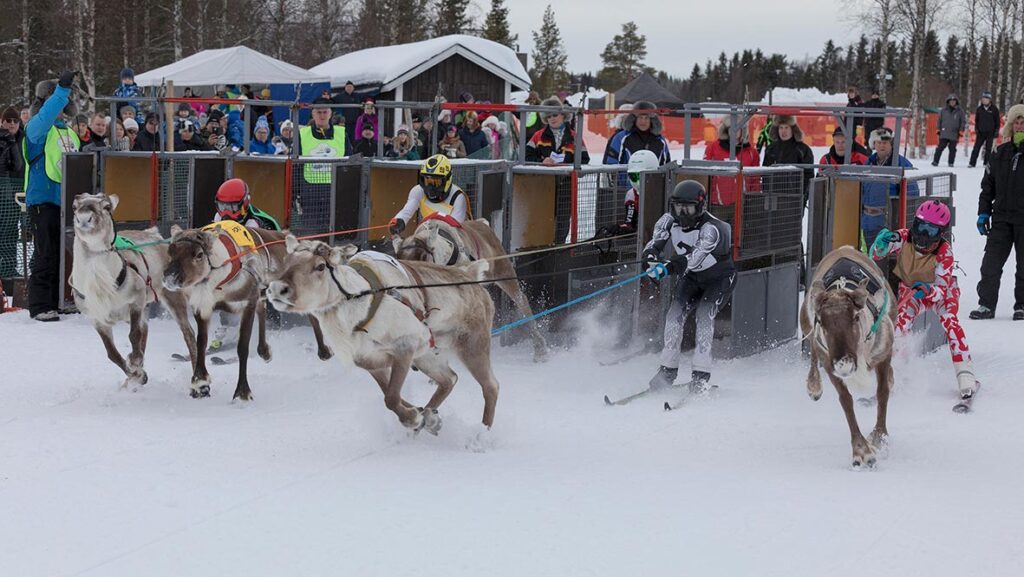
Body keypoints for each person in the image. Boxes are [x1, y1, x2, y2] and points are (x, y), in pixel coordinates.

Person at [869, 201, 978, 399]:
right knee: (900, 324)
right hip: (912, 292)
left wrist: (928, 290)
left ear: (940, 233)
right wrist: (882, 242)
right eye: (920, 227)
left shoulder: (945, 253)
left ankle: (966, 376)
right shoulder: (904, 237)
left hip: (940, 294)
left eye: (931, 230)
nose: (923, 235)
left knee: (951, 324)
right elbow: (877, 254)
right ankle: (895, 374)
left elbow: (940, 289)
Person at [644, 180, 736, 392]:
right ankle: (667, 370)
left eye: (689, 208)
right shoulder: (668, 220)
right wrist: (651, 261)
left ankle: (701, 374)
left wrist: (667, 267)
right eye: (678, 207)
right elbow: (653, 245)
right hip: (693, 278)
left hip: (719, 278)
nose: (683, 213)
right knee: (674, 315)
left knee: (704, 314)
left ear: (700, 206)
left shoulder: (712, 228)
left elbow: (694, 258)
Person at [24, 71, 80, 322]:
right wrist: (62, 91)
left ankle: (60, 299)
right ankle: (39, 304)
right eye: (56, 103)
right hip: (43, 200)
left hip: (66, 201)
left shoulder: (69, 132)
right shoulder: (37, 126)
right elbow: (46, 114)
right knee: (45, 253)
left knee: (63, 254)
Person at [209, 178, 280, 351]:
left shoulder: (255, 223)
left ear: (244, 204)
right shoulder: (219, 217)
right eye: (222, 206)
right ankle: (229, 325)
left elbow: (259, 252)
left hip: (265, 261)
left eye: (232, 207)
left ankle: (269, 327)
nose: (226, 212)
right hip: (236, 259)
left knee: (255, 287)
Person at [972, 103, 1024, 321]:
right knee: (990, 265)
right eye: (1017, 122)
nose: (1020, 125)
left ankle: (1021, 306)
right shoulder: (999, 153)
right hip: (1001, 218)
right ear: (1010, 126)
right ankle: (986, 305)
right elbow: (988, 187)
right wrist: (983, 213)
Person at [861, 127, 919, 250]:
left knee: (887, 259)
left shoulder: (902, 164)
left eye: (885, 142)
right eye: (879, 143)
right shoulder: (868, 163)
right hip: (868, 222)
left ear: (891, 143)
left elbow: (912, 194)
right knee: (870, 256)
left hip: (891, 222)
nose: (882, 146)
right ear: (874, 144)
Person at [388, 154, 468, 235]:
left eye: (436, 182)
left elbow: (455, 227)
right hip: (430, 232)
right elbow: (407, 211)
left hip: (458, 238)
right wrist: (399, 220)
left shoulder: (458, 197)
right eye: (427, 181)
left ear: (447, 180)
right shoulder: (418, 191)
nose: (430, 187)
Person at [598, 148, 659, 237]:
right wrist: (618, 229)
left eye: (641, 176)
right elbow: (630, 225)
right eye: (634, 176)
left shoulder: (665, 190)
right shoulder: (632, 195)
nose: (638, 182)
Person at [703, 116, 760, 205]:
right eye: (731, 128)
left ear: (743, 130)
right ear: (726, 130)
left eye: (737, 128)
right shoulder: (712, 148)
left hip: (744, 204)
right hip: (717, 204)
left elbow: (755, 179)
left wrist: (755, 199)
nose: (734, 131)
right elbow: (705, 175)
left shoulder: (752, 152)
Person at [761, 114, 815, 204]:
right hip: (773, 198)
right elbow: (765, 174)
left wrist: (804, 196)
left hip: (794, 200)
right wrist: (766, 194)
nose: (783, 131)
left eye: (786, 127)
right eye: (781, 128)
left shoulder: (803, 150)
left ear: (792, 129)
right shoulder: (770, 149)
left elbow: (808, 175)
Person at [299, 97, 348, 184]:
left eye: (325, 112)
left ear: (330, 113)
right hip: (309, 187)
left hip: (337, 184)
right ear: (313, 114)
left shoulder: (342, 134)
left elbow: (349, 160)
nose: (322, 116)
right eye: (318, 112)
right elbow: (296, 164)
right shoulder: (302, 134)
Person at [525, 97, 589, 165]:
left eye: (555, 115)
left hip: (566, 174)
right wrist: (541, 161)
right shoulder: (538, 136)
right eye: (548, 116)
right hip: (544, 175)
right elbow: (526, 156)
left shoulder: (575, 137)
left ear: (563, 115)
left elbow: (584, 159)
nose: (552, 118)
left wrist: (569, 168)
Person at [0, 107, 25, 278]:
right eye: (8, 120)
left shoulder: (23, 139)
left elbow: (20, 165)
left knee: (11, 231)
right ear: (2, 122)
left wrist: (12, 143)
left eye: (15, 121)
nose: (12, 124)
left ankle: (9, 267)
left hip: (16, 191)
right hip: (3, 188)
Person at [615, 101, 671, 166]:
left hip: (654, 176)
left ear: (651, 120)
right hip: (627, 176)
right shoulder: (621, 137)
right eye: (640, 117)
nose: (643, 121)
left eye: (646, 118)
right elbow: (610, 163)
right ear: (634, 119)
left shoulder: (660, 141)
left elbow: (666, 165)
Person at [932, 94, 967, 167]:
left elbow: (963, 121)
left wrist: (961, 130)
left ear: (956, 102)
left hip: (954, 133)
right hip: (944, 132)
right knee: (940, 148)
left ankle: (951, 163)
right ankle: (935, 161)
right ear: (948, 102)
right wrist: (938, 128)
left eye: (954, 101)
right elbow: (939, 120)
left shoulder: (960, 111)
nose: (952, 102)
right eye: (951, 101)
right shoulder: (943, 110)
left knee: (952, 149)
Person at [969, 91, 1000, 168]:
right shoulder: (979, 109)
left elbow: (997, 121)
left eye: (986, 98)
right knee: (976, 148)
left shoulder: (994, 109)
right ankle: (972, 163)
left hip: (990, 132)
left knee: (988, 149)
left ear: (990, 100)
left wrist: (996, 131)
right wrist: (976, 129)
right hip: (981, 132)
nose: (984, 100)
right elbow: (976, 120)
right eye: (983, 98)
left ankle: (986, 163)